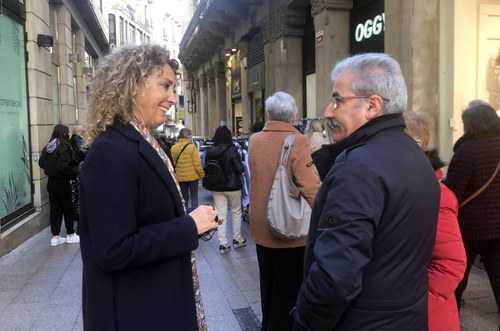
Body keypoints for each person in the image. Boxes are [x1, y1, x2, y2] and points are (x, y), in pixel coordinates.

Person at [292, 53, 440, 330]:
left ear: (372, 105)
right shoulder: (416, 156)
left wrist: (304, 322)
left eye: (337, 99)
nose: (328, 111)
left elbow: (335, 276)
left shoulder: (358, 168)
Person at [79, 44, 219, 331]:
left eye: (173, 87)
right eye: (165, 86)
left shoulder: (143, 143)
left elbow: (145, 215)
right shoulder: (112, 150)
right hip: (138, 313)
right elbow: (114, 249)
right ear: (132, 85)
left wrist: (194, 218)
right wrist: (187, 227)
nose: (172, 98)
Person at [248, 91, 321, 331]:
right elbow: (310, 187)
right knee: (288, 289)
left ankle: (267, 324)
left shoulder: (255, 140)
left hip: (261, 228)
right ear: (293, 115)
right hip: (289, 230)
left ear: (269, 113)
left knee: (267, 285)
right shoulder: (297, 140)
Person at [404, 110, 466, 331]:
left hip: (426, 319)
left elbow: (450, 264)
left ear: (416, 144)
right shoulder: (406, 185)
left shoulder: (434, 193)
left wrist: (411, 306)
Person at [442, 101, 500, 320]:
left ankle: (451, 321)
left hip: (469, 228)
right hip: (497, 227)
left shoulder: (468, 150)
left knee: (457, 278)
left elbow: (454, 192)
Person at [204, 126, 246, 253]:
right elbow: (240, 169)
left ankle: (223, 244)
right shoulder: (232, 149)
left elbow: (206, 167)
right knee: (236, 212)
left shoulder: (209, 150)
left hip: (216, 186)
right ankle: (237, 239)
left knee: (221, 214)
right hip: (232, 186)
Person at [38, 124, 80, 246]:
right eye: (67, 132)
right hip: (62, 182)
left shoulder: (49, 146)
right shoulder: (64, 146)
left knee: (55, 209)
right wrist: (73, 173)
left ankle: (55, 237)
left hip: (51, 182)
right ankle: (70, 234)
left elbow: (41, 163)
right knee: (67, 208)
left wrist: (51, 170)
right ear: (64, 133)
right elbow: (62, 166)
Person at [171, 127, 205, 208]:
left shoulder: (173, 148)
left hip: (181, 177)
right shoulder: (192, 147)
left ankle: (185, 214)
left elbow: (174, 163)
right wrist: (202, 175)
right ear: (189, 136)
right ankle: (195, 214)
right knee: (194, 197)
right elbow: (197, 163)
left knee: (184, 198)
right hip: (193, 177)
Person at [69, 124, 87, 232]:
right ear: (79, 131)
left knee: (76, 199)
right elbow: (84, 153)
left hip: (76, 171)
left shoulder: (73, 139)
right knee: (79, 199)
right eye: (83, 131)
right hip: (79, 171)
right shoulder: (77, 140)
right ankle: (80, 228)